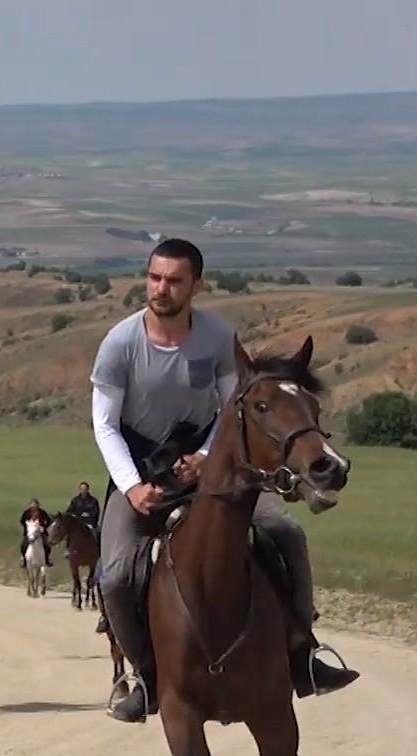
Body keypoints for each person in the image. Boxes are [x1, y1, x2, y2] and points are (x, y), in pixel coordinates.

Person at [90, 238, 356, 723]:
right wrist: (131, 487)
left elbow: (234, 408)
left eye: (173, 280)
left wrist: (208, 457)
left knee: (286, 533)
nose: (161, 288)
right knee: (114, 576)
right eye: (154, 277)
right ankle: (147, 678)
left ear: (196, 285)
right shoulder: (120, 344)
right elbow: (105, 424)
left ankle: (303, 656)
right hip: (140, 471)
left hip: (209, 466)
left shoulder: (217, 338)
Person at [18, 498, 51, 566]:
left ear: (38, 505)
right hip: (30, 532)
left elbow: (49, 521)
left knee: (47, 545)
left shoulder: (42, 512)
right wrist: (27, 527)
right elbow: (22, 521)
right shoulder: (26, 513)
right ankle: (24, 559)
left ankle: (47, 559)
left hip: (40, 532)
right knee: (23, 544)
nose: (34, 506)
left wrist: (44, 527)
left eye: (35, 504)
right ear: (30, 505)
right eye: (32, 504)